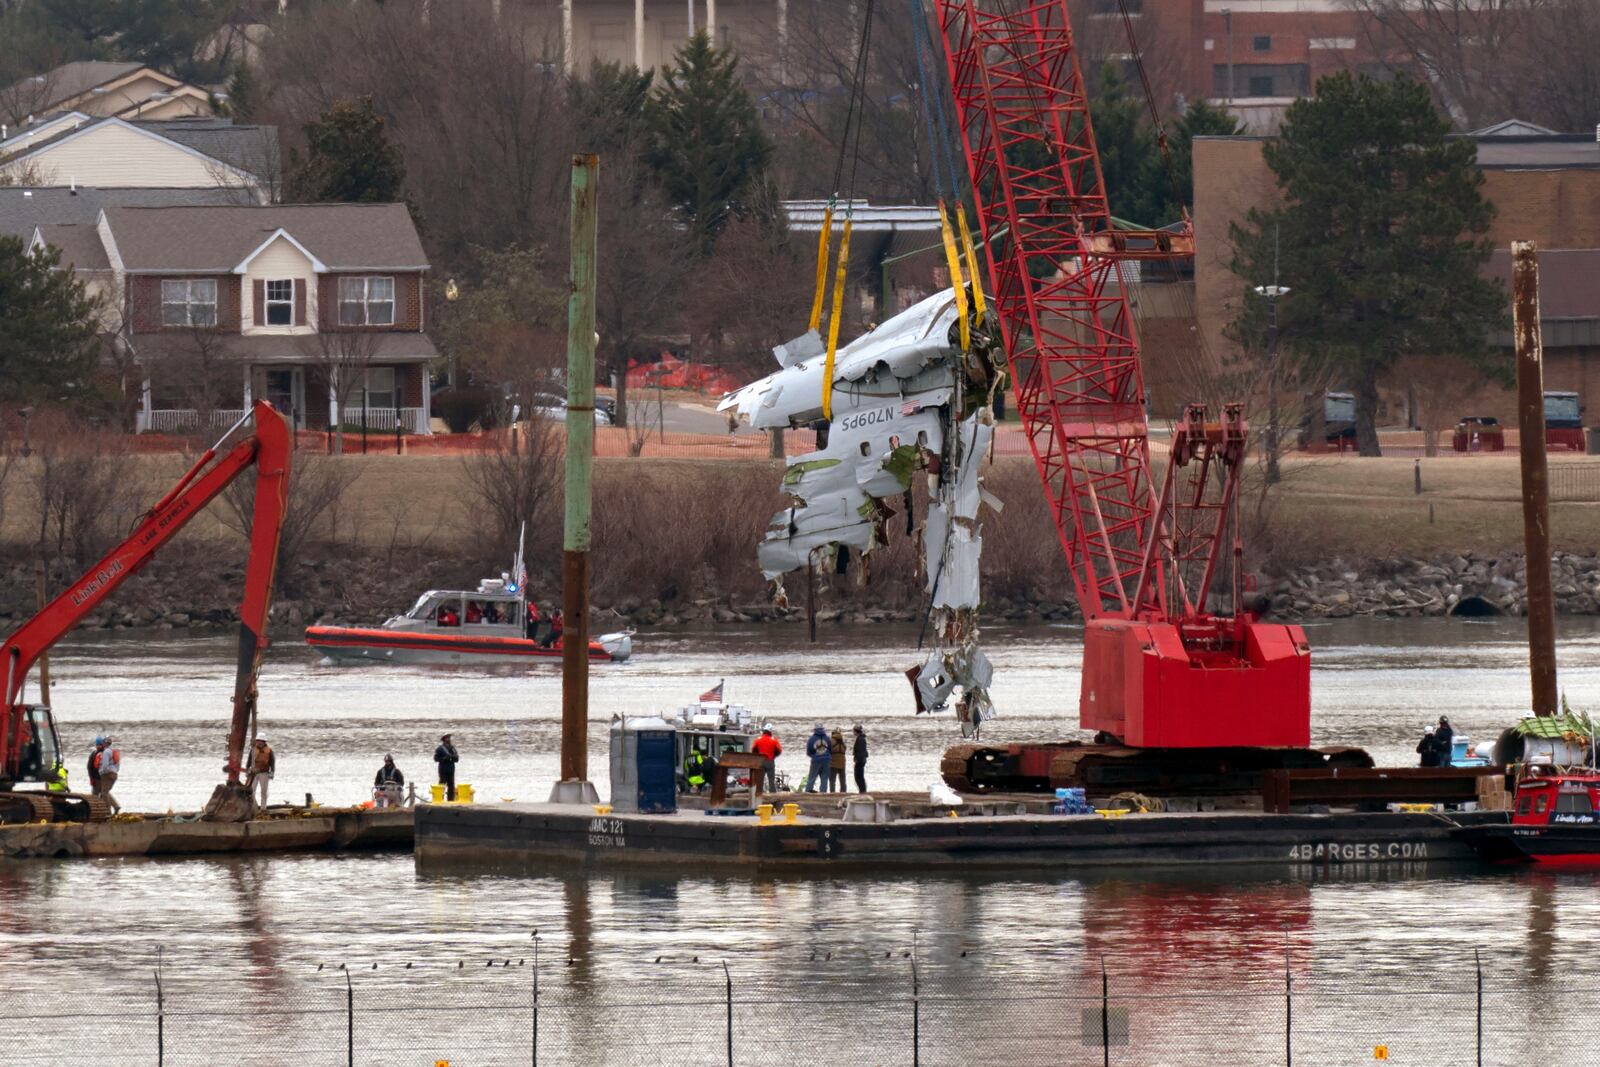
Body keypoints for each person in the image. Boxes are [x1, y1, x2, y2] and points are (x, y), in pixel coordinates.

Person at [751, 727, 781, 792]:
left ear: (764, 731)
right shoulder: (774, 740)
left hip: (761, 761)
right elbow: (779, 751)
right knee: (771, 779)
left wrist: (758, 757)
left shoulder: (758, 739)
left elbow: (753, 750)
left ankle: (759, 793)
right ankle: (772, 794)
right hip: (770, 761)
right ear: (770, 732)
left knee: (760, 779)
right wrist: (774, 756)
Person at [247, 737, 275, 808]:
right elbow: (249, 760)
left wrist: (272, 772)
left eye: (261, 741)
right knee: (251, 791)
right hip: (254, 773)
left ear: (264, 742)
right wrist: (247, 770)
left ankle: (263, 808)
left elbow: (272, 762)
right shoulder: (253, 750)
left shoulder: (269, 751)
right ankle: (253, 807)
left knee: (264, 791)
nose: (259, 742)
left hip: (264, 773)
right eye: (258, 741)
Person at [804, 723, 831, 793]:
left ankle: (807, 793)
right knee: (824, 779)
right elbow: (830, 749)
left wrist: (814, 756)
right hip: (827, 760)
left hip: (816, 760)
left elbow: (809, 751)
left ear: (815, 730)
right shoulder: (827, 738)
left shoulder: (812, 739)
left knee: (812, 778)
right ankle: (823, 794)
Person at [97, 737, 121, 814]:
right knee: (106, 792)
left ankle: (108, 811)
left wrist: (102, 772)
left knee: (104, 793)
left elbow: (105, 765)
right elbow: (117, 765)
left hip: (107, 774)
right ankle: (116, 806)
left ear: (105, 743)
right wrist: (114, 771)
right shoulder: (114, 751)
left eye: (103, 743)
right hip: (114, 774)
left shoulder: (106, 752)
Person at [434, 733, 460, 801]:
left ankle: (450, 800)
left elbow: (457, 759)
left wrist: (453, 757)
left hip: (451, 769)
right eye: (447, 738)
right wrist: (444, 758)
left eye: (449, 738)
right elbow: (436, 759)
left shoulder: (452, 748)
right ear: (444, 740)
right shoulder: (440, 749)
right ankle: (439, 799)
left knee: (451, 786)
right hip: (443, 769)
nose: (449, 739)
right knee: (441, 785)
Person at [828, 727, 847, 793]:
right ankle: (843, 792)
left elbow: (827, 750)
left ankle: (832, 792)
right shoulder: (842, 741)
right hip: (842, 763)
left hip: (833, 763)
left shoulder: (831, 741)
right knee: (842, 780)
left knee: (832, 780)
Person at [852, 724, 869, 794]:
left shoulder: (860, 739)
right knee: (859, 776)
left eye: (853, 731)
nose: (853, 732)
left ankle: (862, 791)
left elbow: (861, 752)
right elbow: (865, 752)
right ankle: (862, 790)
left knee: (858, 777)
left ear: (856, 731)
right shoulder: (861, 738)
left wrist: (858, 760)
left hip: (860, 761)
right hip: (861, 760)